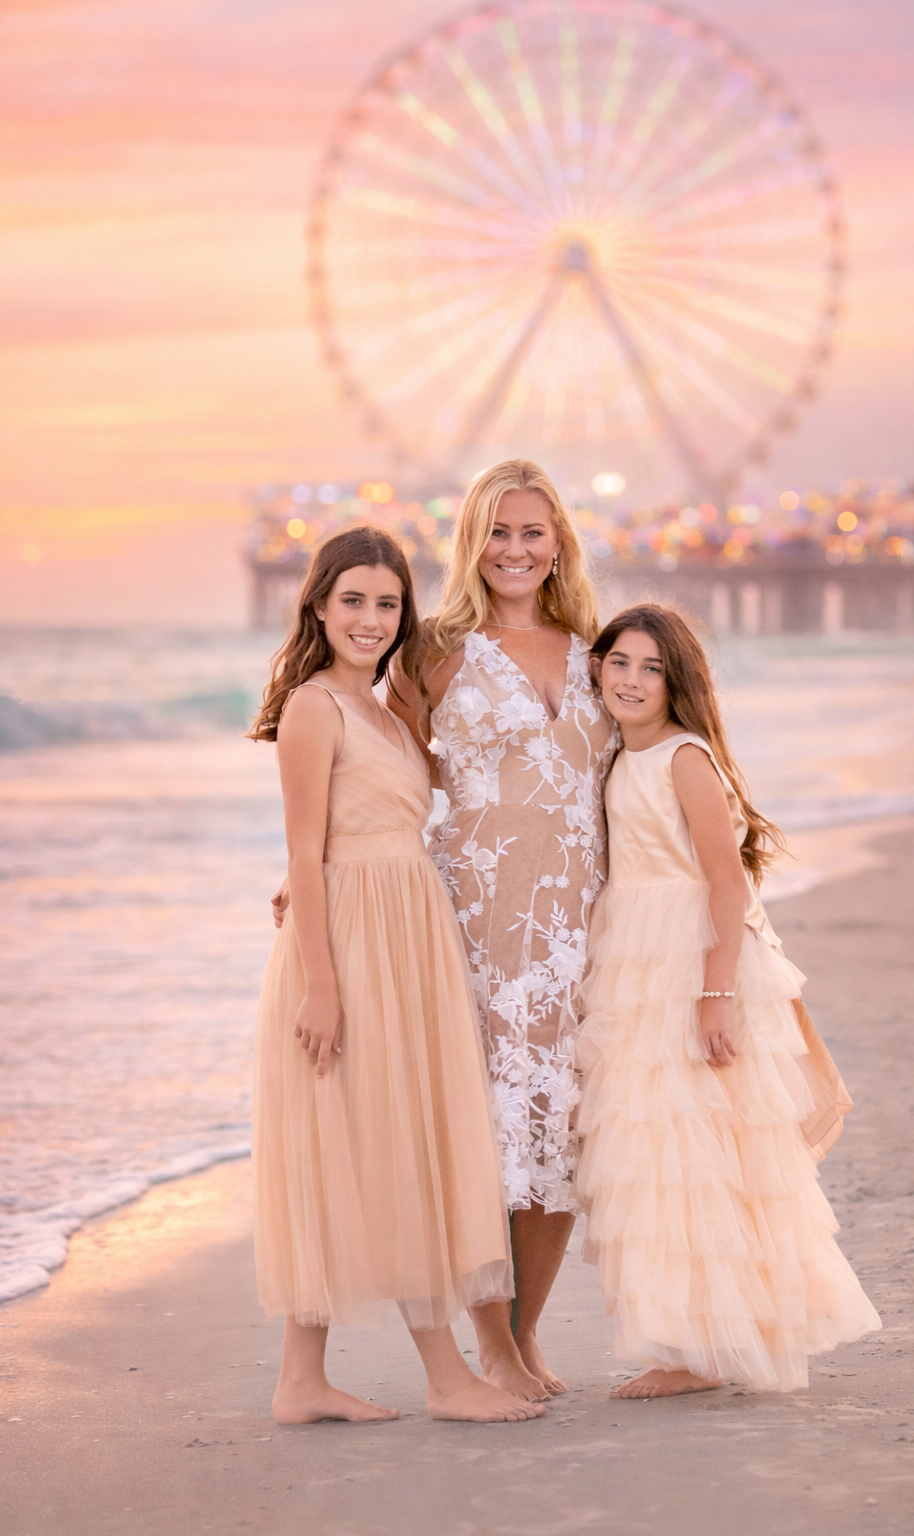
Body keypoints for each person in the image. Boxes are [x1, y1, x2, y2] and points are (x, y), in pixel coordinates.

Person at [249, 526, 545, 1425]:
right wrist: (321, 984)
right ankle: (447, 1376)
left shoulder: (382, 709)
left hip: (405, 930)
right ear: (319, 606)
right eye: (353, 602)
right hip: (348, 949)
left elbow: (352, 828)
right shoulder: (314, 708)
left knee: (359, 1137)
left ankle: (302, 1382)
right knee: (386, 1139)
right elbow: (305, 849)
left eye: (386, 603)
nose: (371, 620)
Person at [576, 604, 881, 1398]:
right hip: (633, 955)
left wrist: (713, 995)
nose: (633, 680)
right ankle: (693, 1338)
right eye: (620, 662)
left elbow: (726, 880)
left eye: (652, 668)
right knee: (653, 1146)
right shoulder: (615, 754)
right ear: (598, 667)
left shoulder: (684, 758)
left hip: (690, 957)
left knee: (699, 1147)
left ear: (677, 683)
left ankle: (703, 1348)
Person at [390, 459, 618, 1398]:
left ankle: (524, 1339)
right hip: (476, 919)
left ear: (558, 539)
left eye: (531, 531)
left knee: (562, 1133)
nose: (514, 550)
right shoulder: (435, 650)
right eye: (497, 532)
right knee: (488, 1130)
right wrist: (312, 869)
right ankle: (491, 1346)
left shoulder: (600, 649)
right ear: (470, 543)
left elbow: (636, 780)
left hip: (582, 918)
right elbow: (389, 778)